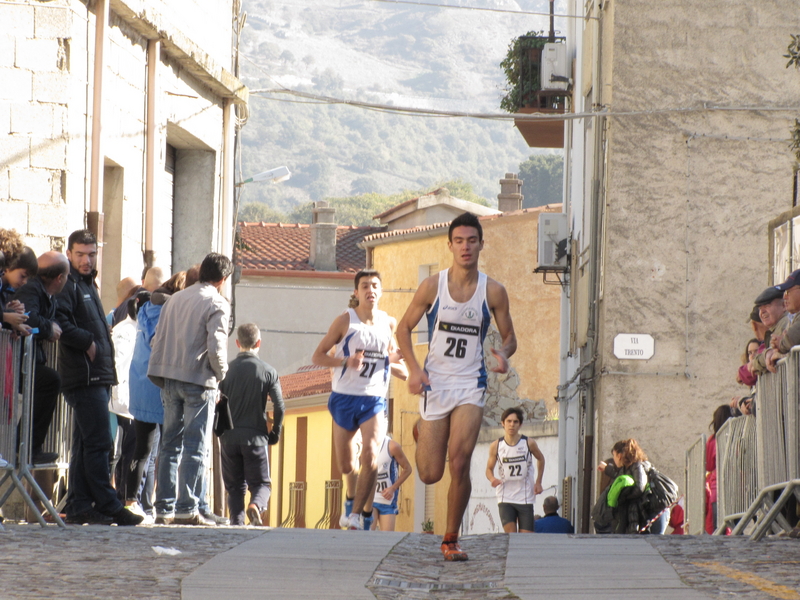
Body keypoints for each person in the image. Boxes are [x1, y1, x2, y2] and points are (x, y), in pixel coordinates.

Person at [397, 212, 516, 561]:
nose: (466, 247)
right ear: (449, 246)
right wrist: (414, 370)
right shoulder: (433, 286)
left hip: (470, 384)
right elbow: (403, 329)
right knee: (430, 473)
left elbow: (509, 338)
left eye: (472, 241)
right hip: (435, 382)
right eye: (459, 241)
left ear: (481, 244)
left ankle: (450, 539)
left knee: (460, 462)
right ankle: (424, 431)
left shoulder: (492, 290)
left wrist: (504, 355)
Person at [55, 229, 142, 526]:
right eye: (80, 254)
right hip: (85, 376)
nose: (86, 260)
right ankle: (108, 503)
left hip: (98, 376)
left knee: (85, 444)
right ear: (69, 254)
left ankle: (81, 505)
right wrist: (87, 342)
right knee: (100, 443)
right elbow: (60, 322)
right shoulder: (68, 284)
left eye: (91, 254)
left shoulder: (88, 284)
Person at [312, 269, 406, 531]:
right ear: (356, 292)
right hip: (344, 398)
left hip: (374, 398)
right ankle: (352, 499)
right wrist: (345, 361)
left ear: (381, 291)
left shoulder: (388, 323)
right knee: (346, 464)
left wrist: (403, 369)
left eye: (375, 285)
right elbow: (317, 356)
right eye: (364, 286)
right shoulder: (345, 321)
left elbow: (393, 362)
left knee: (371, 455)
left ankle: (358, 516)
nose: (370, 290)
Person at [148, 252, 232, 526]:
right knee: (196, 446)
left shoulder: (175, 298)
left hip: (169, 377)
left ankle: (164, 508)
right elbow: (217, 347)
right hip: (198, 380)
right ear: (222, 279)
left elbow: (159, 337)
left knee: (169, 444)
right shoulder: (217, 302)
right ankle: (187, 507)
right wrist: (222, 375)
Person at [124, 271, 186, 522]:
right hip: (161, 386)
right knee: (168, 449)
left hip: (140, 383)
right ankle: (163, 504)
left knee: (141, 449)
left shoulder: (146, 307)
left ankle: (131, 500)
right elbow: (161, 342)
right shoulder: (169, 312)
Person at [219, 323, 285, 526]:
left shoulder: (225, 372)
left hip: (229, 438)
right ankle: (255, 506)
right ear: (259, 343)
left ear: (237, 342)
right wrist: (275, 432)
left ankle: (236, 523)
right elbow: (279, 406)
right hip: (255, 437)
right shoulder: (268, 371)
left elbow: (217, 403)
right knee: (262, 484)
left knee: (235, 487)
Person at [11, 252, 70, 465]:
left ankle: (27, 446)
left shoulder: (45, 293)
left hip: (29, 358)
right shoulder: (32, 289)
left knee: (48, 381)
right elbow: (28, 319)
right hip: (17, 359)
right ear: (60, 278)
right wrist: (47, 329)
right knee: (50, 380)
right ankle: (26, 446)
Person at [485, 407, 544, 533]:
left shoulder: (528, 443)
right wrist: (492, 479)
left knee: (526, 537)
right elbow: (489, 469)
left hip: (525, 496)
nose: (512, 425)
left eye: (515, 422)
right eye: (509, 421)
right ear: (503, 423)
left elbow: (541, 459)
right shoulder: (496, 445)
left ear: (520, 424)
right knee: (511, 535)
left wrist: (538, 482)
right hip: (505, 497)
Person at [597, 439, 667, 534]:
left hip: (655, 511)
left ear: (619, 455)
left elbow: (639, 487)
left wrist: (625, 497)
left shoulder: (637, 465)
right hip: (650, 510)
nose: (614, 459)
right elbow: (620, 478)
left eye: (614, 455)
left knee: (654, 542)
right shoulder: (629, 468)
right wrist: (606, 468)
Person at [370, 433, 412, 531]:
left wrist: (393, 488)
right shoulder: (365, 444)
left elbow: (408, 469)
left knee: (386, 538)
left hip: (387, 500)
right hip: (370, 498)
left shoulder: (392, 446)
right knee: (368, 535)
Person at [705, 404, 732, 534]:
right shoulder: (736, 435)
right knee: (736, 526)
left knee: (718, 528)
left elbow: (709, 466)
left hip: (717, 488)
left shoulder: (712, 440)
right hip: (736, 486)